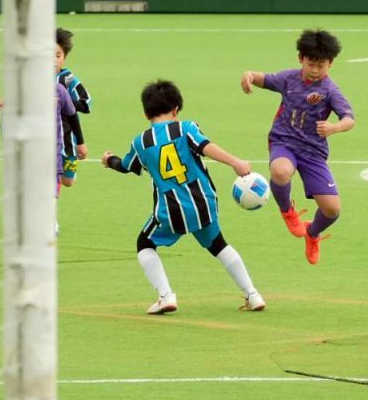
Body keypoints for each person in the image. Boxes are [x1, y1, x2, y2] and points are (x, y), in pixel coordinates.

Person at [101, 80, 265, 314]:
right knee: (218, 244)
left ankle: (166, 295)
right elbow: (206, 146)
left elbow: (126, 166)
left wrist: (109, 160)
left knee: (144, 244)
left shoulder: (140, 143)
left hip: (171, 211)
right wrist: (235, 162)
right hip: (203, 203)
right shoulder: (185, 128)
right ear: (176, 109)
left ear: (146, 114)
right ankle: (253, 294)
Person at [240, 29, 356, 265]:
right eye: (311, 64)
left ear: (331, 64)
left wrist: (334, 127)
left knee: (332, 210)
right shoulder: (288, 79)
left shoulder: (330, 90)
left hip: (313, 152)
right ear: (300, 58)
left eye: (321, 66)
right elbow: (264, 79)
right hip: (283, 142)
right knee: (280, 171)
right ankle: (288, 211)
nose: (315, 70)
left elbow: (349, 119)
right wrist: (248, 75)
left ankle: (312, 233)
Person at [55, 28, 90, 187]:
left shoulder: (67, 79)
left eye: (58, 55)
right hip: (42, 139)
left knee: (68, 181)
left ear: (64, 57)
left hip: (67, 139)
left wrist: (64, 102)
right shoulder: (35, 77)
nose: (53, 60)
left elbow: (86, 102)